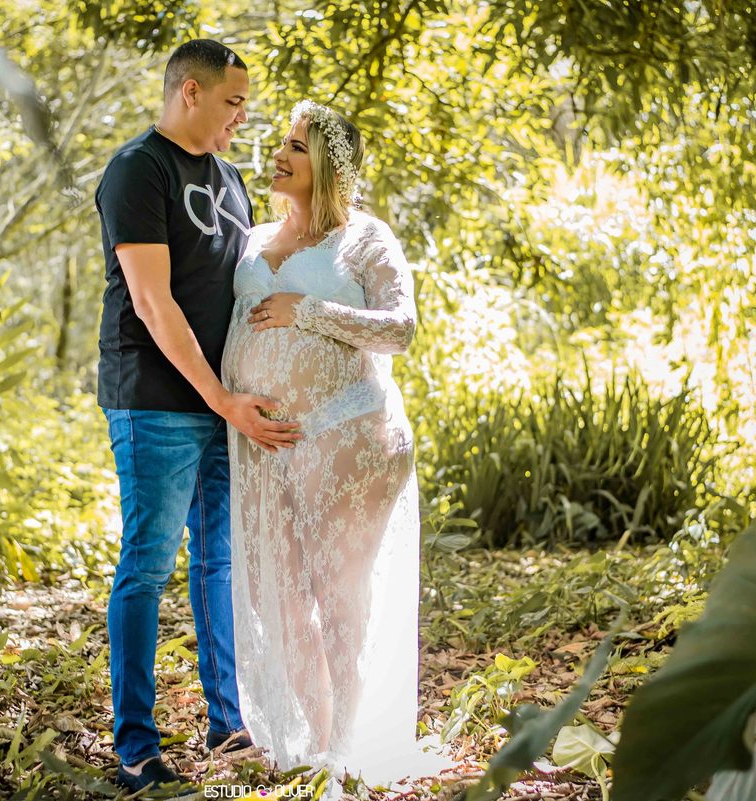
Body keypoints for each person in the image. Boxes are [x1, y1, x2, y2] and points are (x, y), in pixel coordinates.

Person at [94, 39, 301, 792]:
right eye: (232, 102)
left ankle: (228, 723)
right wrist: (219, 398)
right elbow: (153, 302)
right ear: (190, 91)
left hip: (226, 404)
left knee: (220, 561)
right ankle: (136, 746)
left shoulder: (231, 178)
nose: (242, 117)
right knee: (148, 565)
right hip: (156, 400)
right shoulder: (137, 169)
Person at [221, 101, 449, 786]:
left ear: (330, 165)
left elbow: (401, 328)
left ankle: (346, 752)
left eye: (297, 146)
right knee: (282, 599)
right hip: (265, 444)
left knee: (338, 597)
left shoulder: (366, 239)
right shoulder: (253, 236)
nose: (279, 153)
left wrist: (310, 310)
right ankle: (311, 745)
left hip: (351, 432)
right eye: (283, 142)